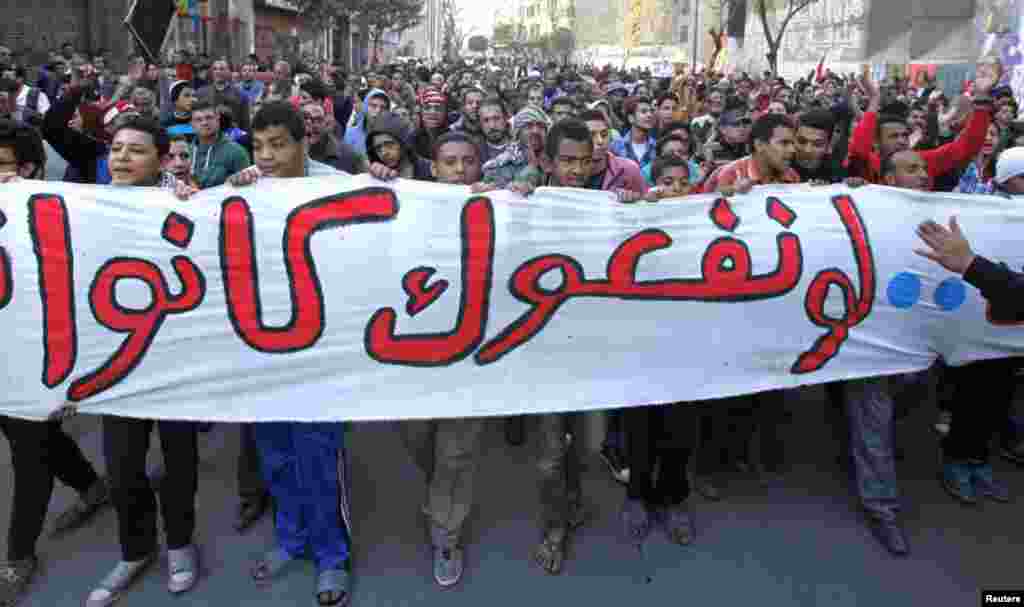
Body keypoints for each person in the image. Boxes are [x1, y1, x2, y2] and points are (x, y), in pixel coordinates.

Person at [226, 102, 353, 607]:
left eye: (278, 144)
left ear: (304, 142)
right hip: (262, 345)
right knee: (275, 452)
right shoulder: (247, 188)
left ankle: (331, 556)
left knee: (318, 454)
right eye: (259, 146)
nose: (268, 156)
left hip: (322, 346)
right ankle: (291, 538)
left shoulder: (335, 187)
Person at [85, 116, 199, 607]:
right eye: (116, 149)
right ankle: (135, 550)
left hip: (175, 357)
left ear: (158, 160)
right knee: (123, 464)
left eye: (135, 150)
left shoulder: (189, 204)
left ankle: (179, 546)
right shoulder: (85, 205)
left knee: (178, 462)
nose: (122, 159)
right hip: (118, 360)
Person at [0, 120, 112, 607]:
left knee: (30, 452)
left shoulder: (59, 217)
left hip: (40, 361)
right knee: (34, 437)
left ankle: (17, 556)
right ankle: (91, 487)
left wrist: (70, 376)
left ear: (26, 169)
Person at [397, 133, 484, 581]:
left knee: (456, 452)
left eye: (468, 161)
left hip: (471, 355)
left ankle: (446, 534)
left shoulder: (498, 211)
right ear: (433, 168)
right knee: (417, 438)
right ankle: (440, 492)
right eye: (449, 162)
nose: (458, 170)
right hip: (410, 355)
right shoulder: (406, 210)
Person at [530, 120, 599, 576]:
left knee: (590, 446)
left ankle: (573, 496)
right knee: (549, 455)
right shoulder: (525, 205)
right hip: (543, 352)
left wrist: (641, 207)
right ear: (549, 163)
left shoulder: (611, 206)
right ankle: (554, 526)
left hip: (596, 350)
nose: (576, 170)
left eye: (584, 161)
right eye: (567, 161)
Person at [847, 67, 996, 186]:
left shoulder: (921, 160)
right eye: (893, 136)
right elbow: (859, 150)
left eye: (905, 135)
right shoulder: (869, 165)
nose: (901, 141)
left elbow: (966, 147)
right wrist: (874, 101)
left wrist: (982, 99)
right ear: (876, 142)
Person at [701, 112, 800, 195]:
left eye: (792, 143)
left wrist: (810, 190)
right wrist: (732, 192)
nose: (793, 150)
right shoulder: (729, 174)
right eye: (784, 143)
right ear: (760, 144)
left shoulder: (792, 176)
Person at [478, 105, 550, 192]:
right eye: (528, 126)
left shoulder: (556, 161)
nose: (535, 131)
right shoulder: (499, 166)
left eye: (540, 126)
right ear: (518, 133)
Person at [188, 99, 250, 188]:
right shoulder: (186, 151)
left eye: (209, 117)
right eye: (199, 120)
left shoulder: (236, 152)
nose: (204, 123)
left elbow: (247, 188)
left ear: (218, 118)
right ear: (192, 124)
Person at [365, 111, 432, 181]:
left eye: (389, 144)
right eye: (378, 148)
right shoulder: (377, 174)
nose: (384, 153)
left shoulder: (429, 170)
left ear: (403, 142)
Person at [303, 101, 366, 174]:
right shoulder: (292, 155)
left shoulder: (349, 156)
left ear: (327, 122)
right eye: (306, 118)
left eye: (319, 120)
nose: (313, 125)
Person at [609, 96, 657, 170]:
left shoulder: (657, 147)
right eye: (643, 112)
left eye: (651, 111)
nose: (649, 115)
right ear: (631, 118)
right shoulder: (616, 147)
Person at [342, 88, 390, 155]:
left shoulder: (390, 139)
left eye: (383, 107)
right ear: (365, 107)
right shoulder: (349, 133)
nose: (378, 111)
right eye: (373, 106)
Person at [477, 96, 511, 164]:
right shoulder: (475, 153)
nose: (492, 126)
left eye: (496, 118)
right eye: (486, 120)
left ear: (506, 118)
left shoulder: (521, 148)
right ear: (480, 123)